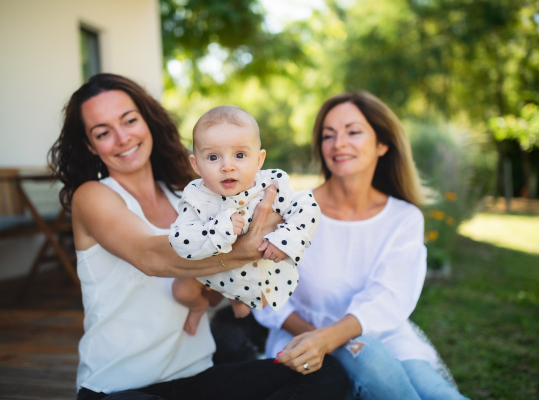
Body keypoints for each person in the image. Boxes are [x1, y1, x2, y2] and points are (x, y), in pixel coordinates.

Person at [48, 73, 348, 400]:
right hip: (119, 387)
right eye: (103, 132)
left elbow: (213, 294)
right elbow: (152, 257)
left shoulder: (190, 195)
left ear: (147, 122)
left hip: (196, 377)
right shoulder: (93, 196)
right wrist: (250, 248)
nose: (122, 138)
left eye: (129, 120)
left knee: (323, 374)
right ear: (91, 146)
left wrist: (236, 283)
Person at [253, 91, 469, 400]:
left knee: (439, 394)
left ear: (383, 144)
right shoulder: (291, 210)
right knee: (370, 359)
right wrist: (317, 340)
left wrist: (330, 338)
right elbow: (264, 290)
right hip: (302, 335)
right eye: (329, 135)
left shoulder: (404, 218)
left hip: (385, 334)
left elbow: (389, 297)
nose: (338, 143)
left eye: (353, 132)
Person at [169, 105, 320, 335]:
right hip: (211, 267)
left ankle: (236, 297)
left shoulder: (271, 184)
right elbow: (180, 239)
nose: (227, 166)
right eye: (213, 157)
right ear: (196, 165)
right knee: (180, 291)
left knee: (261, 299)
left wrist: (286, 239)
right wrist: (218, 228)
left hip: (254, 267)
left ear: (259, 160)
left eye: (240, 155)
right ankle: (199, 306)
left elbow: (307, 206)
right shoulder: (196, 196)